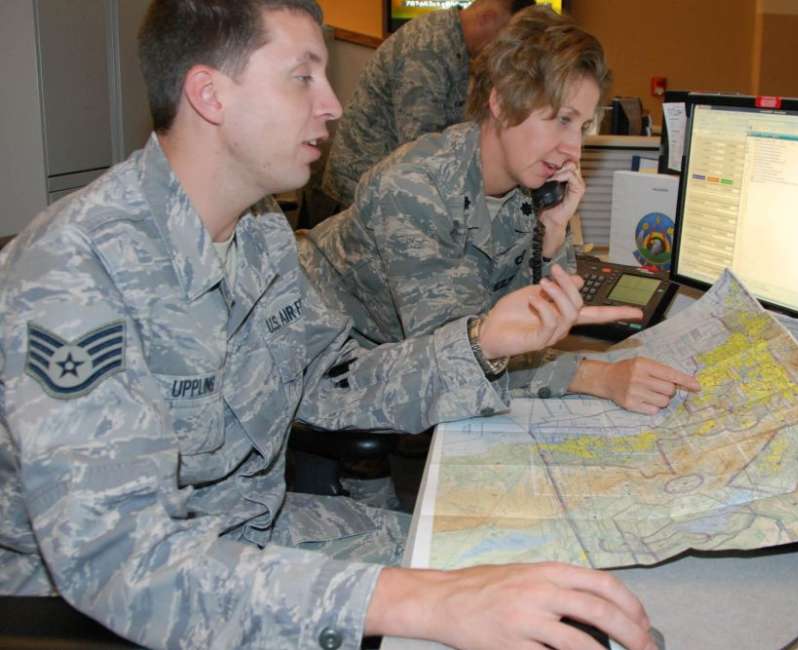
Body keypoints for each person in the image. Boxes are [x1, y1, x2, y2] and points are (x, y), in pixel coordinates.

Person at [0, 1, 659, 649]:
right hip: (97, 605)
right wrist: (428, 600)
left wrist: (479, 343)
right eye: (303, 76)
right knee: (455, 602)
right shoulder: (73, 275)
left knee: (508, 569)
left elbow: (334, 379)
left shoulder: (258, 234)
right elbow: (125, 565)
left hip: (246, 533)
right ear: (210, 94)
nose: (335, 104)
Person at [299, 6, 700, 416]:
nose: (574, 151)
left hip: (386, 358)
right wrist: (598, 377)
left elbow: (524, 326)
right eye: (561, 120)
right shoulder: (414, 189)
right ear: (502, 102)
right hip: (318, 360)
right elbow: (464, 355)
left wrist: (553, 234)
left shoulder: (525, 189)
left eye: (581, 128)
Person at [317, 0, 536, 216]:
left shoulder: (457, 46)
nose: (507, 48)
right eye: (506, 35)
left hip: (391, 191)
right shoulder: (426, 48)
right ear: (487, 18)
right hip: (356, 198)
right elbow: (421, 148)